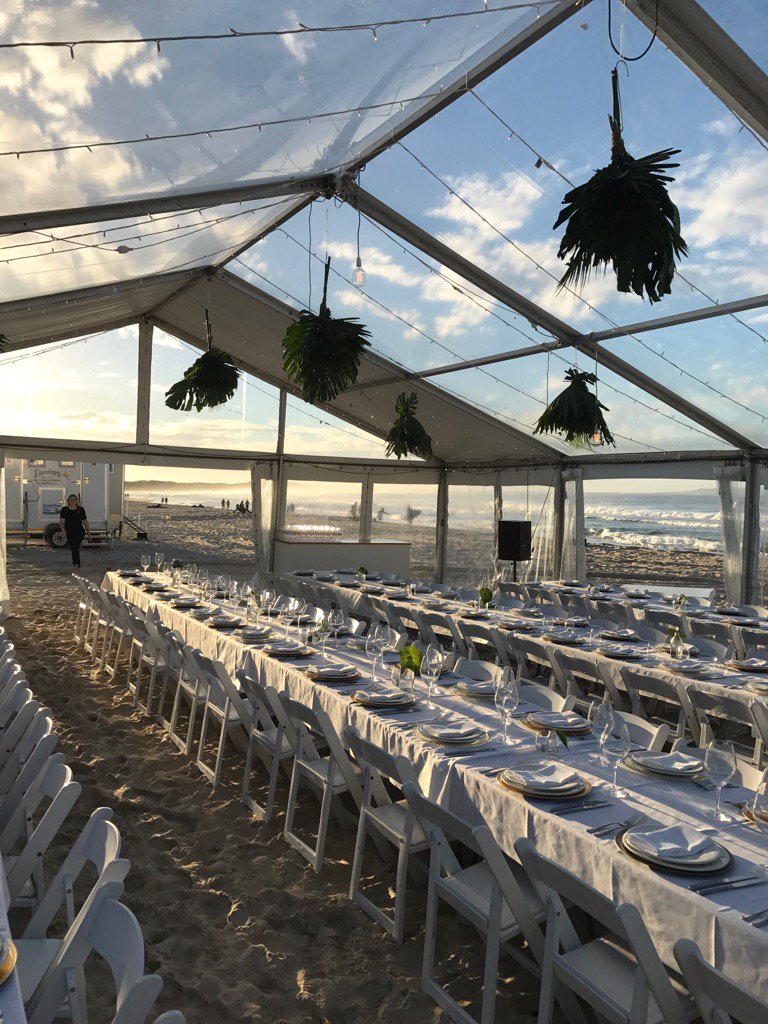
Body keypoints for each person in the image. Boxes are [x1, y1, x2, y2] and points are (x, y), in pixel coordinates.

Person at [59, 494, 91, 569]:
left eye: (74, 499)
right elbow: (61, 521)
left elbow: (85, 521)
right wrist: (63, 530)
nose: (73, 501)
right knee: (74, 547)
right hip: (69, 531)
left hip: (79, 531)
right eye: (71, 499)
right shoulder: (65, 509)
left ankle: (76, 564)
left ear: (76, 501)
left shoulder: (80, 509)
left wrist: (89, 534)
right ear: (68, 501)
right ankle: (77, 564)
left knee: (74, 547)